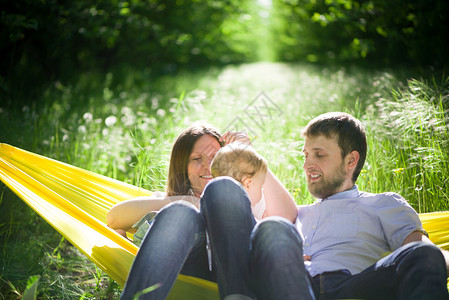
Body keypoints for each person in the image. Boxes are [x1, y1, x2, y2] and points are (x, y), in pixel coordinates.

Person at [200, 112, 449, 300]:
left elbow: (423, 253)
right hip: (290, 283)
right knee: (274, 228)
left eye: (319, 154)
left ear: (351, 159)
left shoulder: (383, 203)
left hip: (350, 285)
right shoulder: (297, 214)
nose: (308, 164)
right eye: (305, 155)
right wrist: (247, 153)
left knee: (423, 256)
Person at [107, 123, 298, 299]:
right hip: (191, 273)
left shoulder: (244, 197)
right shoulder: (173, 202)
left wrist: (250, 155)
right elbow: (114, 217)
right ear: (182, 166)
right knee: (179, 213)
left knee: (223, 188)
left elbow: (287, 216)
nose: (207, 165)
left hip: (243, 273)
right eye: (197, 159)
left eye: (215, 157)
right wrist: (192, 201)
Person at [211, 142, 268, 220]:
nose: (262, 191)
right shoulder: (245, 214)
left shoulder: (214, 209)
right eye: (261, 186)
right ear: (248, 184)